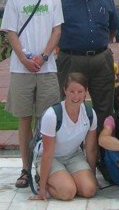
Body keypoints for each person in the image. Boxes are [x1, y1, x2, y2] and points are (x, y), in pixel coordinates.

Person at [1, 0, 64, 189]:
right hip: (21, 69)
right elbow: (11, 32)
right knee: (25, 119)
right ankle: (25, 169)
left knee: (46, 120)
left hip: (47, 67)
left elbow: (57, 31)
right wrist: (24, 58)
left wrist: (44, 55)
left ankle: (43, 167)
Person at [57, 0, 119, 132]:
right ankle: (72, 152)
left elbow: (113, 29)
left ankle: (102, 153)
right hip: (72, 59)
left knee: (104, 107)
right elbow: (54, 30)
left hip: (101, 59)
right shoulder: (61, 0)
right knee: (70, 106)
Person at [30, 72, 98, 201]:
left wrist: (92, 176)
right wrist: (42, 190)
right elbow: (48, 154)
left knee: (89, 190)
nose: (76, 96)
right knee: (67, 192)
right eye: (72, 91)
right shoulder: (52, 115)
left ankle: (66, 178)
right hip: (51, 157)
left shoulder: (90, 114)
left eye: (80, 91)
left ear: (86, 92)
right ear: (65, 90)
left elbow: (91, 150)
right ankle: (42, 180)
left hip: (73, 155)